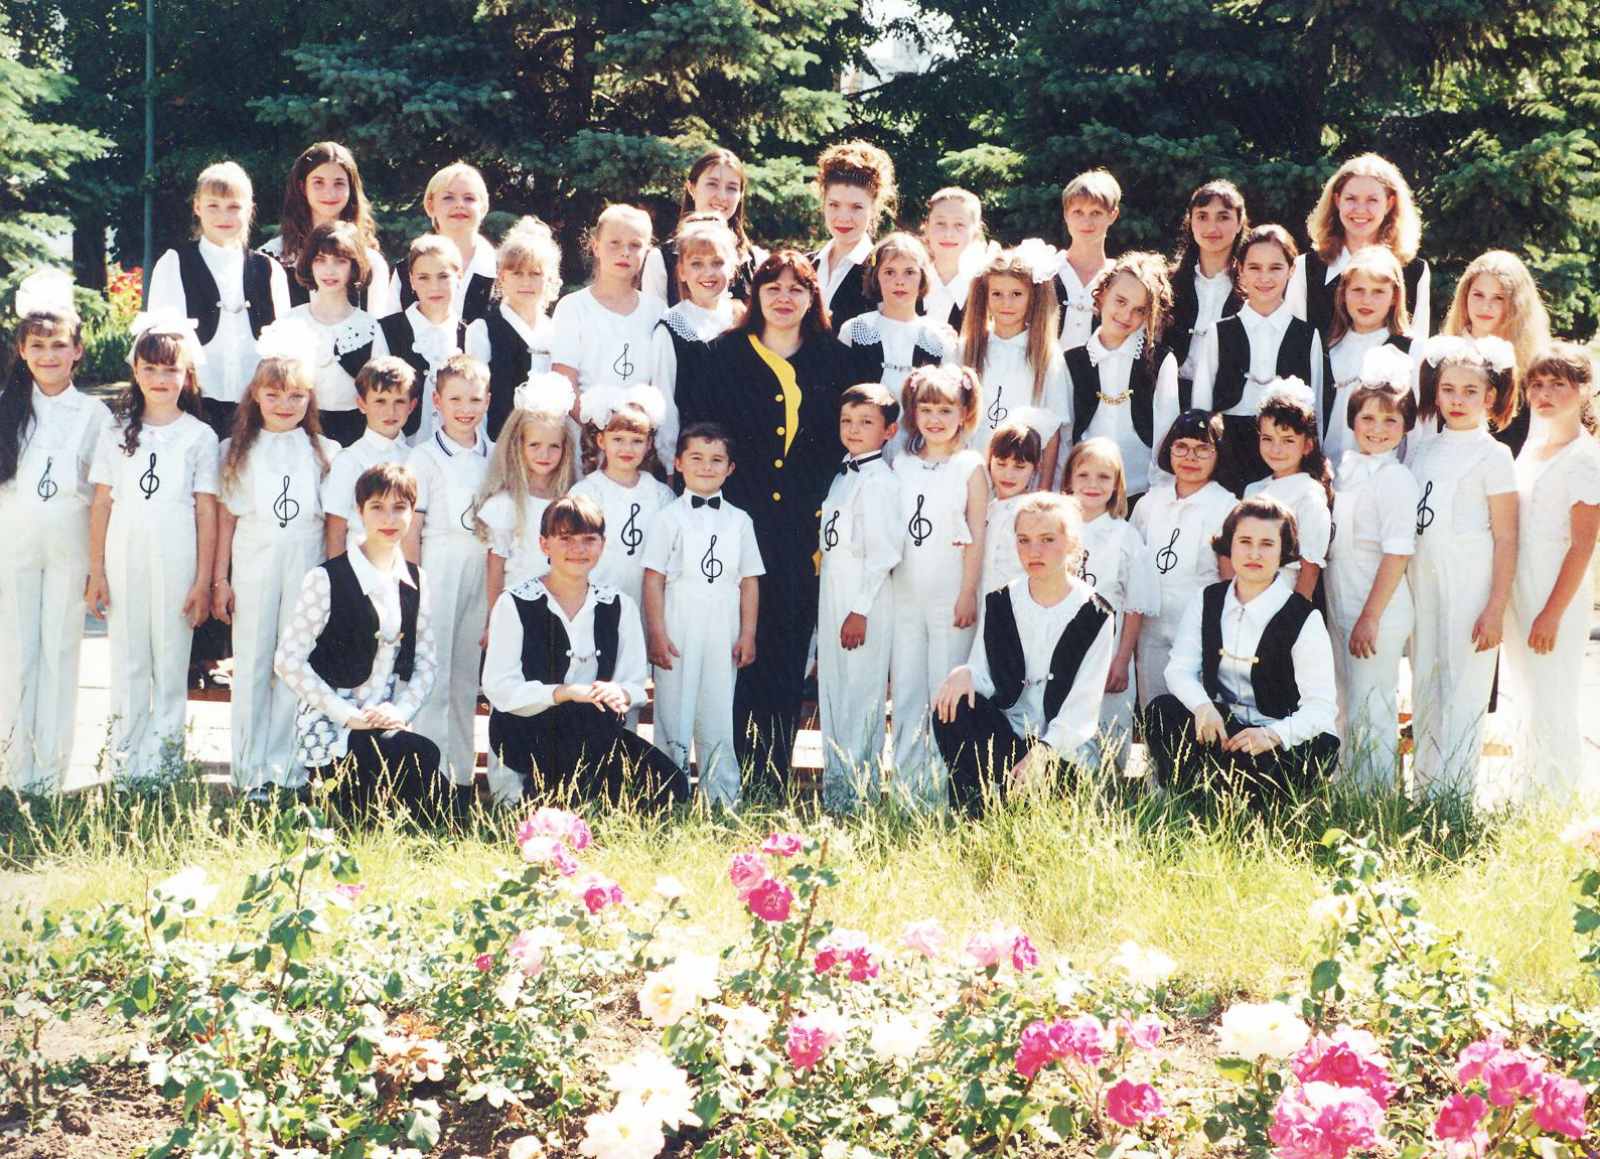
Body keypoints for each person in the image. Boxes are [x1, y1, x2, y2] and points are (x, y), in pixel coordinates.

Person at [687, 251, 853, 782]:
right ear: (755, 295)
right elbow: (703, 434)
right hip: (736, 522)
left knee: (786, 650)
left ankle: (773, 777)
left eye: (796, 289)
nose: (784, 298)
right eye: (772, 288)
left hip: (803, 529)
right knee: (736, 648)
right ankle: (726, 775)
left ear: (812, 298)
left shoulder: (836, 360)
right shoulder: (722, 355)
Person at [483, 495, 688, 805]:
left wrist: (620, 692)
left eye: (589, 539)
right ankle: (548, 800)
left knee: (671, 785)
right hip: (527, 731)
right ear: (544, 544)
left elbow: (635, 683)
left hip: (594, 732)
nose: (578, 549)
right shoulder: (514, 602)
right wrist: (564, 692)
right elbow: (499, 687)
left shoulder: (619, 605)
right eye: (565, 538)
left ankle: (585, 800)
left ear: (602, 545)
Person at [86, 315, 220, 780]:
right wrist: (97, 570)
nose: (160, 379)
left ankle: (163, 767)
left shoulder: (200, 437)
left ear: (187, 375)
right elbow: (102, 503)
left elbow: (206, 511)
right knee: (129, 657)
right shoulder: (116, 431)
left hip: (178, 552)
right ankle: (126, 766)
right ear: (136, 372)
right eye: (150, 369)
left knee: (170, 656)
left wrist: (203, 581)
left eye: (171, 370)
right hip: (125, 551)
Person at [274, 463, 447, 815]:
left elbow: (427, 663)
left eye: (400, 507)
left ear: (413, 512)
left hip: (384, 724)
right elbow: (287, 661)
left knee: (425, 762)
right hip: (330, 729)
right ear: (359, 511)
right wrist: (347, 715)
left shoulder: (417, 580)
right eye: (377, 507)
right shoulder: (326, 578)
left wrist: (399, 711)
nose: (389, 518)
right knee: (410, 766)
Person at [0, 273, 115, 792]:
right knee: (15, 654)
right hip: (15, 545)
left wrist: (98, 567)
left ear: (77, 351)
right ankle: (13, 771)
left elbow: (102, 494)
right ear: (22, 350)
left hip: (69, 548)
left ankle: (48, 776)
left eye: (59, 346)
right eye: (38, 346)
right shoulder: (7, 408)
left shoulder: (93, 414)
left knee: (60, 653)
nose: (49, 356)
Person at [213, 320, 338, 795]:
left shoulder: (325, 451)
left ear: (310, 399)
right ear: (255, 396)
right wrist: (221, 580)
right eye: (274, 395)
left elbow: (331, 523)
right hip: (255, 558)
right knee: (252, 661)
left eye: (296, 396)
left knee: (294, 661)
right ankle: (250, 771)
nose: (285, 405)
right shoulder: (236, 451)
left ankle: (286, 769)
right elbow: (226, 519)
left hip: (305, 560)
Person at [932, 493, 1116, 814]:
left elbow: (1082, 707)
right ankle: (972, 816)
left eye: (1047, 539)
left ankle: (1032, 804)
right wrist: (964, 674)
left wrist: (1044, 752)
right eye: (1024, 540)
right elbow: (984, 675)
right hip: (1009, 738)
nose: (1034, 551)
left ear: (1071, 543)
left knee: (1040, 804)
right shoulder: (1001, 602)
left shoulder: (1095, 613)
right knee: (953, 706)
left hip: (1061, 750)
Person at [1146, 496, 1340, 797]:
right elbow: (1179, 669)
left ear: (1283, 551)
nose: (1254, 553)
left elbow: (1321, 708)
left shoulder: (1303, 617)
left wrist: (1272, 735)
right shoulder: (1207, 600)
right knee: (1163, 712)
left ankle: (1243, 798)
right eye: (1245, 541)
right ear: (1230, 545)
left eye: (1267, 544)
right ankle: (1190, 798)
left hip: (1279, 738)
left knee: (1274, 763)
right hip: (1224, 728)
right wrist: (1202, 707)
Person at [1406, 334, 1519, 799]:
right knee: (1426, 678)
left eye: (1470, 391)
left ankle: (1453, 799)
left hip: (1470, 578)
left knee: (1464, 684)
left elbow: (1506, 536)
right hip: (1425, 576)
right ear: (1436, 394)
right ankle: (1424, 791)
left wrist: (1495, 607)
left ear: (1489, 397)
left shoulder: (1494, 455)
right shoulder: (1424, 451)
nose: (1458, 400)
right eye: (1449, 389)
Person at [642, 425, 763, 806]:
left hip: (723, 625)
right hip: (678, 622)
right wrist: (657, 633)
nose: (706, 467)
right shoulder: (667, 518)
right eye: (696, 458)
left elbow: (749, 581)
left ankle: (721, 796)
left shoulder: (740, 521)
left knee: (717, 709)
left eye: (716, 460)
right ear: (678, 463)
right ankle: (669, 794)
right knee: (673, 709)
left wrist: (748, 633)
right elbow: (653, 578)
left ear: (730, 468)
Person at [1501, 343, 1600, 801]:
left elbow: (1583, 545)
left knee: (1552, 696)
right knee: (1525, 693)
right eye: (1537, 384)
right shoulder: (1533, 446)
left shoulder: (1585, 458)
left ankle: (1558, 802)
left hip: (1554, 590)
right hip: (1519, 584)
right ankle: (1527, 794)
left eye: (1558, 384)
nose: (1544, 394)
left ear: (1583, 390)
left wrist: (1552, 613)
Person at [889, 365, 987, 808]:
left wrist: (968, 591)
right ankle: (907, 792)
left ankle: (943, 794)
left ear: (964, 413)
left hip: (950, 595)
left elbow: (977, 533)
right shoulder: (902, 464)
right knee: (907, 691)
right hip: (907, 593)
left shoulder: (970, 467)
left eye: (945, 410)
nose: (935, 419)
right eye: (926, 409)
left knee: (942, 692)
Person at [145, 160, 291, 440]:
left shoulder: (268, 269)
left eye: (234, 206)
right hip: (193, 403)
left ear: (249, 210)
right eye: (213, 205)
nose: (224, 215)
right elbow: (159, 346)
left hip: (257, 408)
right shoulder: (174, 263)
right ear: (197, 207)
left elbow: (283, 349)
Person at [1324, 357, 1418, 791]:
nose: (1377, 429)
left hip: (1377, 607)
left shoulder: (1396, 479)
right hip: (1341, 599)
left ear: (1405, 426)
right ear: (1352, 420)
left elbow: (1397, 554)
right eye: (1368, 418)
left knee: (1373, 705)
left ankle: (1376, 797)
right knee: (1346, 700)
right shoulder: (1344, 470)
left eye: (1390, 420)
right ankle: (1346, 789)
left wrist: (1370, 616)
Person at [406, 354, 494, 788]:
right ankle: (428, 778)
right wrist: (411, 584)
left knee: (465, 676)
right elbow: (412, 529)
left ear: (488, 401)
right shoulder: (424, 457)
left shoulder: (495, 455)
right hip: (438, 564)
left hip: (482, 563)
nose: (465, 409)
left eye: (474, 399)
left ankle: (458, 776)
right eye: (455, 399)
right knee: (433, 674)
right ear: (437, 401)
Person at [817, 385, 902, 811]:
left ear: (889, 431)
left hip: (862, 599)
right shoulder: (841, 475)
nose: (854, 429)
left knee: (861, 694)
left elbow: (884, 553)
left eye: (866, 422)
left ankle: (858, 794)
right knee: (835, 691)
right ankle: (836, 793)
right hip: (833, 589)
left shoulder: (881, 482)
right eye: (847, 421)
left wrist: (860, 609)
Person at [1190, 224, 1324, 487]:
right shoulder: (1219, 332)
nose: (1265, 277)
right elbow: (1201, 407)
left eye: (1275, 268)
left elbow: (1316, 407)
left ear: (1291, 270)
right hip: (1229, 453)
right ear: (1239, 270)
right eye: (1254, 267)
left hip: (1285, 455)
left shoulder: (1307, 336)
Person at [1062, 438, 1157, 772]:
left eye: (1103, 477)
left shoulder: (1124, 536)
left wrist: (1122, 659)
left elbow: (1135, 605)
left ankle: (1108, 790)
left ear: (1117, 484)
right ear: (1068, 480)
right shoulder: (1057, 530)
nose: (1093, 484)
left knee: (1108, 730)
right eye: (1083, 475)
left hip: (1110, 648)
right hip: (1060, 645)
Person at [1131, 410, 1236, 706]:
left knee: (1194, 708)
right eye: (1182, 447)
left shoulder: (1226, 506)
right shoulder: (1149, 503)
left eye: (1203, 449)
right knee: (1153, 707)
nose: (1191, 457)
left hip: (1198, 626)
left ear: (1218, 454)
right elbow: (1133, 570)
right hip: (1151, 627)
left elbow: (1230, 579)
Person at [1065, 250, 1181, 503]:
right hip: (1085, 493)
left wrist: (1158, 498)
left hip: (1142, 493)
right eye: (1120, 301)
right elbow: (1065, 436)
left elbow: (1166, 436)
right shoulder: (1072, 362)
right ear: (1102, 294)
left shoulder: (1160, 362)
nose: (1126, 315)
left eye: (1139, 310)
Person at [1290, 153, 1430, 343]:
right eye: (1351, 199)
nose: (1360, 209)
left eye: (1372, 200)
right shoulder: (1305, 269)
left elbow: (1418, 349)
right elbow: (1296, 346)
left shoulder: (1415, 272)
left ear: (1389, 204)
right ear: (1337, 201)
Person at [839, 233, 958, 451]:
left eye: (909, 272)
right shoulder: (855, 330)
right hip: (864, 451)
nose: (899, 281)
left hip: (918, 451)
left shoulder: (936, 339)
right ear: (876, 276)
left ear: (923, 277)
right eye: (889, 272)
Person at [959, 242, 1067, 475]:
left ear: (1032, 297)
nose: (1006, 303)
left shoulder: (1046, 355)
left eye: (1016, 294)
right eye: (997, 294)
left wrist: (1044, 488)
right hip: (972, 470)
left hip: (1022, 474)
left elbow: (1054, 432)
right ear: (985, 296)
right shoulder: (967, 348)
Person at [476, 375, 579, 612]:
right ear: (518, 445)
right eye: (534, 445)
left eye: (554, 446)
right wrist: (494, 617)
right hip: (516, 607)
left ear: (565, 450)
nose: (544, 454)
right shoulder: (506, 503)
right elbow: (495, 567)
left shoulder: (569, 500)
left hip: (561, 606)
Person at [282, 221, 388, 447]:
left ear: (354, 266)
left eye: (340, 261)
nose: (329, 271)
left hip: (355, 434)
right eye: (321, 260)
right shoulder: (291, 322)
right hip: (301, 431)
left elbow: (380, 392)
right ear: (309, 264)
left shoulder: (369, 327)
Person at [1439, 250, 1554, 457]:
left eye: (1499, 298)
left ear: (1517, 305)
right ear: (1465, 296)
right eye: (1478, 295)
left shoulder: (1535, 370)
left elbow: (1539, 443)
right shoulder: (1442, 355)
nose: (1486, 306)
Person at [648, 215, 741, 470]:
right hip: (695, 462)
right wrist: (669, 463)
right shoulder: (671, 327)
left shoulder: (743, 320)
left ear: (733, 267)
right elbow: (665, 403)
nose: (708, 273)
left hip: (742, 458)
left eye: (717, 263)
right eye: (697, 264)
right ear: (682, 271)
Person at [571, 385, 676, 608]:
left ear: (649, 444)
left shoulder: (661, 495)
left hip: (646, 601)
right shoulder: (587, 493)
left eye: (636, 441)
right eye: (618, 439)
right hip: (598, 601)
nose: (627, 448)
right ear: (601, 441)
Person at [262, 140, 393, 315]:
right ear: (302, 187)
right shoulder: (273, 258)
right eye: (319, 182)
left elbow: (378, 325)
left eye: (339, 183)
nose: (329, 193)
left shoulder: (371, 262)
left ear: (350, 187)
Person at [551, 204, 663, 398]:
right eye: (615, 243)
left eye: (635, 245)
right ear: (596, 247)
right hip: (586, 416)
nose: (625, 252)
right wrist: (593, 418)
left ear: (646, 251)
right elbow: (564, 383)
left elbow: (662, 384)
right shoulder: (573, 308)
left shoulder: (657, 311)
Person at [464, 217, 561, 440]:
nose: (526, 282)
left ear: (549, 279)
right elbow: (476, 397)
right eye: (517, 273)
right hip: (500, 441)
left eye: (535, 274)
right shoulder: (483, 330)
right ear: (502, 277)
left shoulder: (555, 330)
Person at [1320, 247, 1413, 462]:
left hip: (1382, 471)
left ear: (1394, 296)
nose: (1366, 300)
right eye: (1358, 290)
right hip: (1329, 468)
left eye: (1378, 291)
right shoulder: (1329, 347)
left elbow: (1416, 429)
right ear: (1343, 293)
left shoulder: (1408, 349)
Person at [1244, 379, 1333, 602]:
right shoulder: (1253, 490)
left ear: (1307, 445)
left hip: (1284, 595)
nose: (1276, 449)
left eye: (1288, 440)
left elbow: (1309, 569)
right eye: (1268, 439)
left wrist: (1294, 614)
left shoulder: (1309, 493)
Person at [641, 147, 765, 306]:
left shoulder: (754, 260)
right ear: (692, 188)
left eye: (732, 188)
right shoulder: (660, 259)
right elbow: (654, 319)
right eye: (712, 184)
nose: (722, 196)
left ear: (740, 195)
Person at [322, 357, 416, 557]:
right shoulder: (349, 460)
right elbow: (336, 531)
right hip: (360, 564)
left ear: (412, 405)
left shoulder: (415, 458)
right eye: (380, 401)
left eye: (399, 401)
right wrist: (339, 574)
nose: (390, 411)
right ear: (362, 404)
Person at [379, 234, 466, 440]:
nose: (434, 287)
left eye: (443, 276)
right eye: (423, 277)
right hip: (402, 447)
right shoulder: (387, 330)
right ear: (411, 281)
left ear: (459, 276)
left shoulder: (469, 334)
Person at [390, 162, 497, 324]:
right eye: (448, 198)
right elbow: (389, 330)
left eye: (469, 198)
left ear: (483, 207)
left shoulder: (502, 270)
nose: (459, 204)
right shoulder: (406, 271)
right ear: (430, 206)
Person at [809, 140, 898, 334]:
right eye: (834, 205)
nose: (843, 217)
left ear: (874, 208)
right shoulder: (806, 265)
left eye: (856, 207)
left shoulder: (883, 271)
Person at [1168, 180, 1246, 394]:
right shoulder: (1169, 282)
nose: (1212, 228)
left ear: (1239, 223)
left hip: (1229, 398)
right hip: (1173, 394)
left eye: (1223, 217)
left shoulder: (1253, 286)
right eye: (1202, 216)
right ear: (1190, 222)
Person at [1053, 169, 1121, 349]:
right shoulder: (1046, 270)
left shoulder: (1119, 277)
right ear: (1066, 215)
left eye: (1096, 213)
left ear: (1113, 215)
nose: (1086, 222)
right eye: (1078, 212)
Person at [980, 421, 1041, 596]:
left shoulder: (1033, 514)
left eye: (1019, 467)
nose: (1008, 474)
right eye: (1001, 464)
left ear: (1035, 468)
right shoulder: (986, 509)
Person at [920, 187, 992, 331]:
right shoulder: (907, 284)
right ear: (926, 227)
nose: (948, 234)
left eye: (959, 225)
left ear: (975, 232)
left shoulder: (987, 292)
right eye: (940, 223)